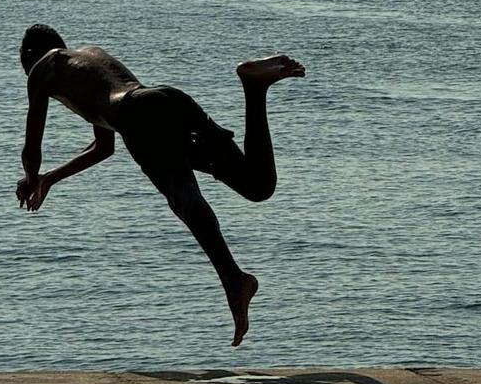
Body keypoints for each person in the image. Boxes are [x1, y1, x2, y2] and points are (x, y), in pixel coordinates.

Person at [15, 23, 304, 346]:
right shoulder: (88, 58)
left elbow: (32, 148)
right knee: (257, 184)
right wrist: (50, 179)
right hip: (166, 100)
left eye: (23, 63)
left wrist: (30, 178)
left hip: (140, 117)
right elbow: (103, 147)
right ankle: (254, 87)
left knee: (185, 199)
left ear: (27, 55)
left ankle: (234, 280)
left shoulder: (43, 67)